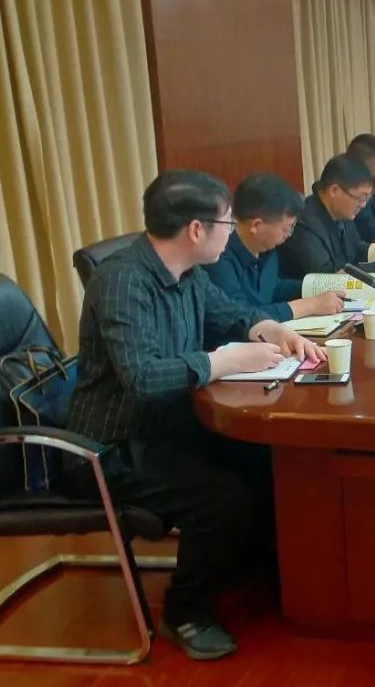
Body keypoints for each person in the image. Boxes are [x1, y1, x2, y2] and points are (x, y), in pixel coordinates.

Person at [65, 169, 325, 660]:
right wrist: (222, 362)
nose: (232, 233)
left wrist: (269, 328)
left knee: (265, 458)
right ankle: (185, 610)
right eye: (227, 223)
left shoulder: (187, 273)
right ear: (196, 229)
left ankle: (259, 569)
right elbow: (142, 378)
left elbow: (230, 312)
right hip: (112, 448)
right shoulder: (122, 281)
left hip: (171, 425)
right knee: (222, 498)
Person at [205, 173, 344, 324]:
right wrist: (310, 305)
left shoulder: (267, 249)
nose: (289, 234)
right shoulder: (219, 258)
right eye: (286, 228)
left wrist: (323, 285)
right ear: (256, 225)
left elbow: (272, 288)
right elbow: (241, 316)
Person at [277, 155, 375, 279]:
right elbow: (326, 277)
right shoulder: (304, 224)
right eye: (361, 198)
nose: (363, 205)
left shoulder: (341, 212)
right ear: (335, 190)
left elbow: (358, 249)